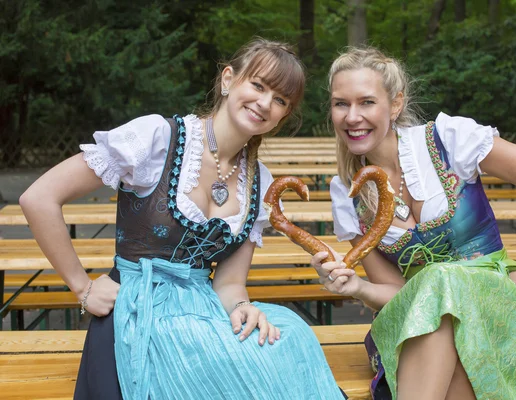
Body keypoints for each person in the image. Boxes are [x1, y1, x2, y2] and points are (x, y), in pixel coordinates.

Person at [20, 38, 346, 400]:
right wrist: (82, 288)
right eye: (258, 85)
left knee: (291, 337)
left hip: (201, 313)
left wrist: (243, 309)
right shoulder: (159, 139)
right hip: (136, 312)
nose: (265, 103)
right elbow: (38, 198)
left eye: (280, 100)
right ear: (228, 79)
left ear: (284, 115)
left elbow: (229, 285)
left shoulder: (259, 181)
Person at [310, 46, 516, 400]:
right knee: (437, 306)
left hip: (494, 313)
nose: (352, 117)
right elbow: (399, 296)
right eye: (340, 104)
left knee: (443, 287)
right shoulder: (347, 193)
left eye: (366, 102)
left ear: (394, 105)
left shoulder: (447, 141)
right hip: (417, 327)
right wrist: (357, 289)